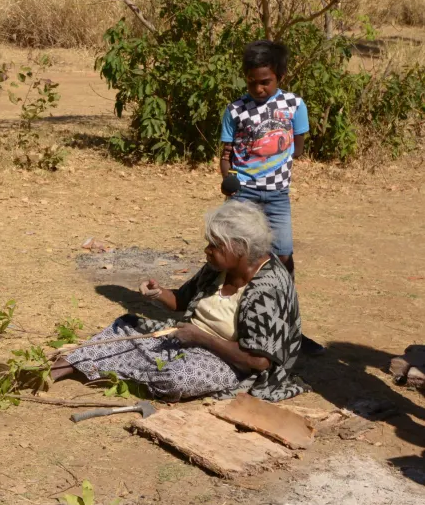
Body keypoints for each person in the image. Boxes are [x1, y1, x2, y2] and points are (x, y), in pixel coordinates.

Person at [50, 203, 304, 402]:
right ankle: (60, 368)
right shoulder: (217, 268)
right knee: (124, 328)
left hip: (231, 362)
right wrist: (158, 293)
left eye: (215, 245)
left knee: (176, 376)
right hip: (186, 339)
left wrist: (202, 339)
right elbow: (182, 300)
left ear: (241, 248)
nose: (207, 250)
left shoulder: (269, 291)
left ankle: (105, 364)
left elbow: (258, 361)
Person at [219, 39, 323, 355]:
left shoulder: (294, 106)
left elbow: (299, 145)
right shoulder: (236, 109)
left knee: (284, 258)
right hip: (245, 194)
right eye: (252, 82)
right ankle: (229, 325)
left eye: (266, 82)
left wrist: (279, 163)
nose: (259, 88)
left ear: (280, 76)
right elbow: (226, 153)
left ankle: (289, 330)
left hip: (277, 195)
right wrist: (228, 177)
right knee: (235, 258)